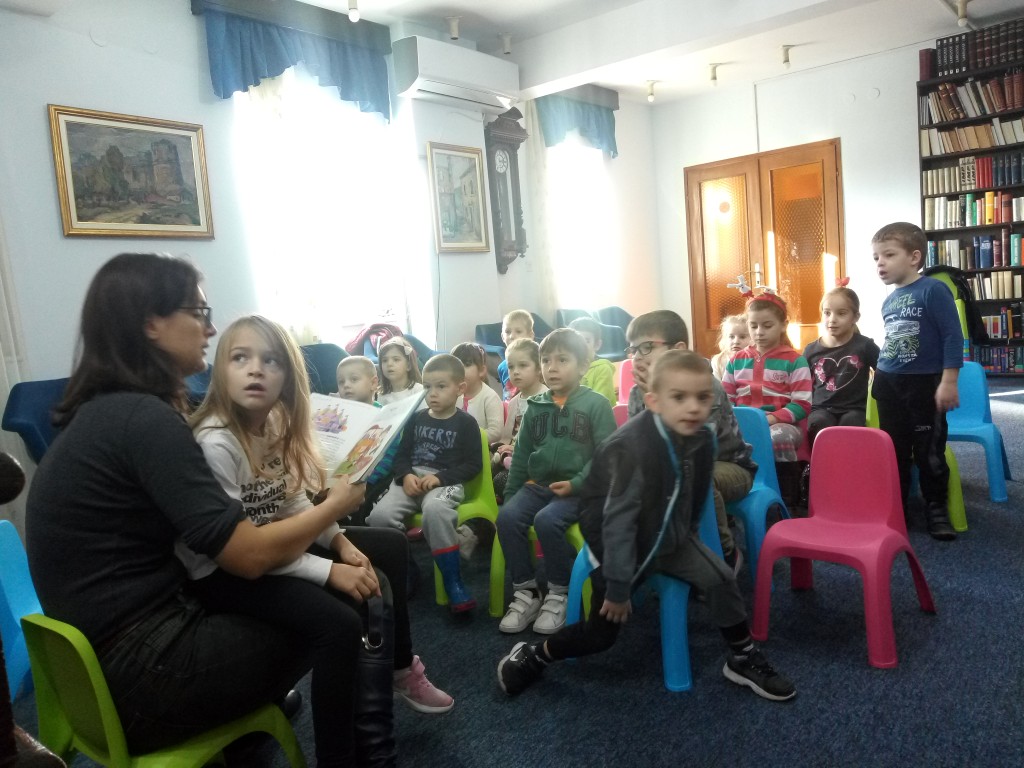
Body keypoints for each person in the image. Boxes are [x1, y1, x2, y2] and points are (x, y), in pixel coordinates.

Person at [25, 253, 367, 767]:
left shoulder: (109, 412)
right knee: (336, 621)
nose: (209, 328)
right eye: (198, 312)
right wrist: (333, 508)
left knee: (298, 597)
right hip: (146, 676)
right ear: (152, 324)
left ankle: (244, 732)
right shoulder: (146, 421)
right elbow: (247, 557)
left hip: (97, 670)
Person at [179, 316, 453, 716]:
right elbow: (245, 555)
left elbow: (290, 499)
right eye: (240, 358)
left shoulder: (276, 421)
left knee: (390, 547)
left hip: (275, 540)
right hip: (225, 572)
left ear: (288, 377)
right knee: (341, 617)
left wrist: (339, 541)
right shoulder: (216, 443)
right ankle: (339, 743)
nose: (256, 369)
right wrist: (327, 570)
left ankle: (400, 668)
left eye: (271, 360)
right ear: (220, 370)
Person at [496, 351, 796, 702]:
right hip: (618, 545)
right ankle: (535, 655)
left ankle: (742, 657)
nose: (693, 408)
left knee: (721, 579)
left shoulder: (701, 437)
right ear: (653, 402)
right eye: (679, 397)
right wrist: (618, 588)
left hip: (670, 536)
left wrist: (688, 537)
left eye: (702, 398)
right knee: (602, 635)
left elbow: (695, 493)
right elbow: (618, 524)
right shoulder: (633, 450)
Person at [495, 329, 617, 635]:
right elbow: (522, 455)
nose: (552, 367)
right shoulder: (534, 406)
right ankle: (526, 591)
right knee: (507, 517)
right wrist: (511, 495)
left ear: (583, 366)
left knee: (547, 521)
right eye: (546, 360)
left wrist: (576, 484)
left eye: (562, 360)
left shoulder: (597, 404)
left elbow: (605, 456)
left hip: (580, 490)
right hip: (538, 485)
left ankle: (558, 592)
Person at [626, 310, 753, 573]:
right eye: (633, 349)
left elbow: (694, 449)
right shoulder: (638, 393)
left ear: (678, 350)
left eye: (647, 347)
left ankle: (724, 552)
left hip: (728, 466)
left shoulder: (705, 387)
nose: (637, 356)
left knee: (691, 475)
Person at [367, 354, 483, 611]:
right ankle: (408, 569)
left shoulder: (466, 423)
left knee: (436, 510)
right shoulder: (416, 418)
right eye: (428, 386)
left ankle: (453, 582)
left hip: (444, 482)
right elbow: (401, 456)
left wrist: (440, 478)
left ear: (460, 388)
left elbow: (474, 465)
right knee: (379, 517)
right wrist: (406, 475)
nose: (433, 393)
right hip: (411, 480)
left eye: (441, 386)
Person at [872, 222, 962, 540]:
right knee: (894, 450)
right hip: (888, 383)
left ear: (914, 257)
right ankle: (898, 508)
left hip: (925, 385)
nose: (880, 263)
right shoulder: (888, 301)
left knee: (929, 451)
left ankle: (936, 508)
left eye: (888, 255)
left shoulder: (933, 290)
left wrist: (949, 381)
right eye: (876, 258)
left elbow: (952, 336)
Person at [722, 291, 812, 507]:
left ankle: (786, 500)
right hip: (741, 423)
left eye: (767, 326)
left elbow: (802, 404)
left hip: (781, 424)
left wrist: (770, 419)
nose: (759, 332)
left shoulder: (795, 361)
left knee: (778, 438)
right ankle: (730, 497)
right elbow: (725, 399)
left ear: (783, 325)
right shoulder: (736, 361)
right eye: (753, 326)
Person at [802, 282, 880, 447]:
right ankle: (821, 462)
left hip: (854, 409)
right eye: (827, 313)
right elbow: (800, 383)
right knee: (819, 424)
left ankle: (849, 462)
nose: (832, 319)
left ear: (855, 317)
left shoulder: (865, 346)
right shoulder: (811, 350)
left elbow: (883, 371)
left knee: (851, 424)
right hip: (821, 409)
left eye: (841, 313)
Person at [492, 338, 547, 500]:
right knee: (486, 470)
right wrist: (501, 449)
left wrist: (515, 451)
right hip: (512, 456)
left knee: (501, 481)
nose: (515, 371)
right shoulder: (514, 401)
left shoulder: (546, 399)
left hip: (532, 459)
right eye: (511, 367)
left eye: (523, 365)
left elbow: (544, 442)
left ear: (538, 368)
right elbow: (506, 436)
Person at [451, 342, 503, 444]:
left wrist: (470, 439)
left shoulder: (490, 397)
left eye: (466, 364)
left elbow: (496, 432)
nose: (460, 370)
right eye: (456, 366)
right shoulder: (453, 394)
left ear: (481, 371)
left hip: (481, 448)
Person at [568, 316, 616, 405]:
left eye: (586, 340)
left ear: (597, 345)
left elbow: (599, 404)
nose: (580, 346)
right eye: (575, 341)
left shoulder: (603, 369)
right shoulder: (569, 368)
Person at [497, 309, 534, 400]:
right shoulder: (502, 367)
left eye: (518, 331)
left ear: (530, 335)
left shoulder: (537, 362)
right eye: (508, 332)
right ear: (502, 337)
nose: (512, 336)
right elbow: (506, 394)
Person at [377, 337, 423, 406]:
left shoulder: (419, 391)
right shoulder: (381, 395)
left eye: (396, 359)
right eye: (385, 360)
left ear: (408, 365)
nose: (389, 364)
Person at [711, 314, 751, 380]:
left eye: (742, 337)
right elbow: (717, 384)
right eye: (731, 337)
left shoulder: (754, 360)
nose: (736, 341)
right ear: (724, 339)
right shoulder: (718, 361)